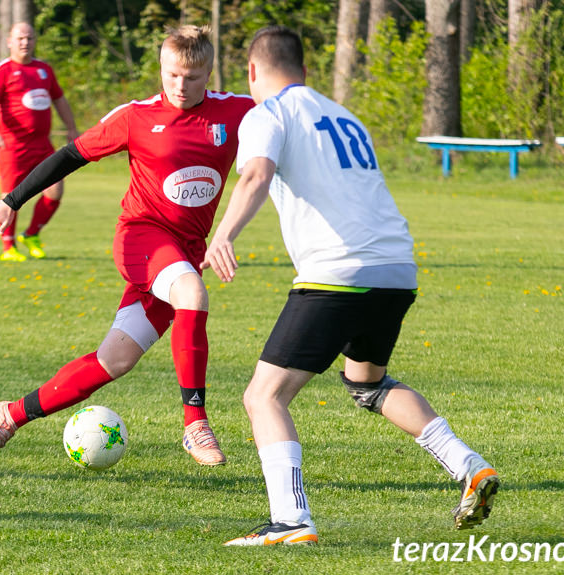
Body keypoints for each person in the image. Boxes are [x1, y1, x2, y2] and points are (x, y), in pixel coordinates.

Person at [201, 26, 500, 546]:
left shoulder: (266, 114)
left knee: (264, 396)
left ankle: (292, 520)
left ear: (252, 71)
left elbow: (255, 174)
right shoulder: (345, 116)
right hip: (396, 270)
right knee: (367, 384)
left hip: (336, 274)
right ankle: (468, 464)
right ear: (306, 70)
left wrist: (222, 234)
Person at [0, 25, 255, 467]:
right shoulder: (137, 116)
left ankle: (10, 414)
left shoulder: (237, 111)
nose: (180, 85)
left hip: (183, 254)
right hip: (141, 237)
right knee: (192, 295)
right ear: (161, 69)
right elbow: (68, 156)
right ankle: (195, 424)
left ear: (209, 72)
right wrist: (10, 202)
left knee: (114, 361)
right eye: (172, 75)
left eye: (192, 77)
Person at [0, 22, 80, 262]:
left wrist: (71, 128)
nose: (25, 43)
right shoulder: (1, 70)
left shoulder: (43, 70)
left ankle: (32, 234)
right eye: (20, 39)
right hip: (12, 145)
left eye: (30, 38)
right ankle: (9, 247)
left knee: (55, 190)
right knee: (11, 196)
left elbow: (59, 100)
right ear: (9, 41)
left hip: (42, 144)